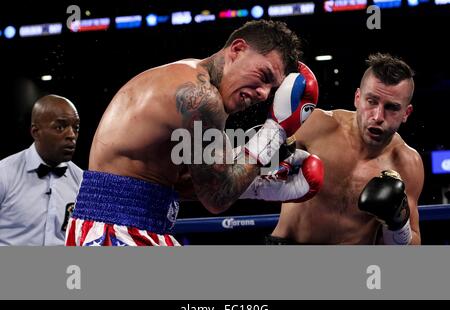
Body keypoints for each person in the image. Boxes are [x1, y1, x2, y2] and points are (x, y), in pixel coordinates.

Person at [65, 20, 324, 246]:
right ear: (237, 49)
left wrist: (263, 180)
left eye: (272, 87)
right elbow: (216, 197)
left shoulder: (192, 81)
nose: (264, 94)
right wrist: (274, 132)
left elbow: (199, 183)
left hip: (119, 224)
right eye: (263, 75)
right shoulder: (200, 98)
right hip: (117, 227)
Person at [270, 53, 424, 245]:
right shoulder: (316, 125)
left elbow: (412, 247)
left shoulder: (407, 163)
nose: (378, 116)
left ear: (406, 113)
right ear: (357, 98)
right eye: (372, 101)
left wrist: (398, 222)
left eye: (392, 108)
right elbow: (261, 165)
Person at [0, 94, 82, 245]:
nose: (71, 135)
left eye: (75, 128)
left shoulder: (82, 181)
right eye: (60, 127)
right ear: (36, 132)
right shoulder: (4, 173)